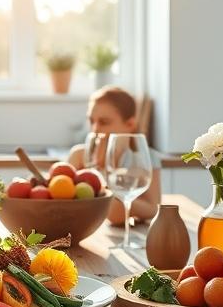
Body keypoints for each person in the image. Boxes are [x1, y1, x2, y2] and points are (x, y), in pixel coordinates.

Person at [67, 86, 162, 225]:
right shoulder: (79, 156)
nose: (95, 129)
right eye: (91, 121)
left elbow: (153, 208)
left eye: (104, 122)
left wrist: (120, 199)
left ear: (130, 124)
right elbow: (62, 200)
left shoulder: (145, 158)